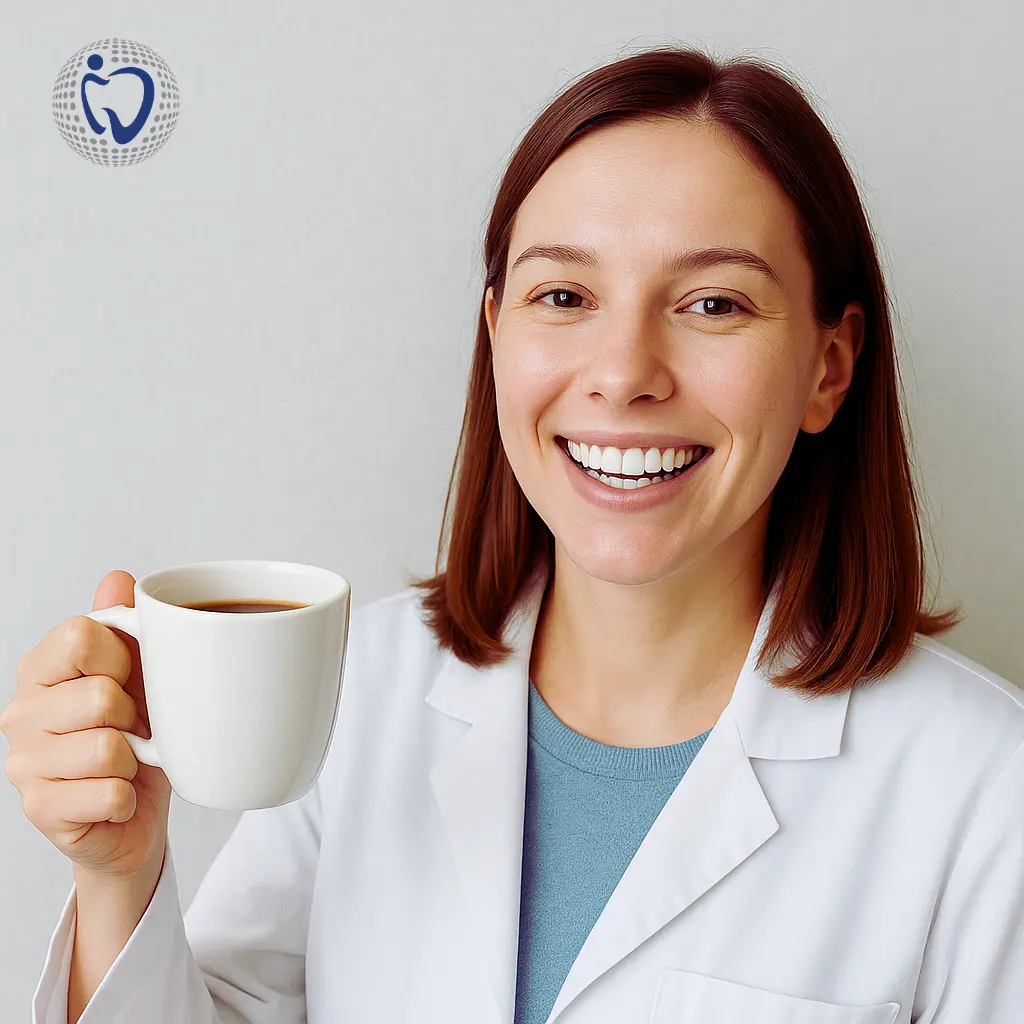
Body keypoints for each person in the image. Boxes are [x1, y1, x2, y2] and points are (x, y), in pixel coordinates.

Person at [3, 45, 1022, 1024]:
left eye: (713, 302)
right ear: (496, 337)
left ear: (828, 368)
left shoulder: (983, 789)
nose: (623, 372)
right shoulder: (359, 690)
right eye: (564, 296)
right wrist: (120, 875)